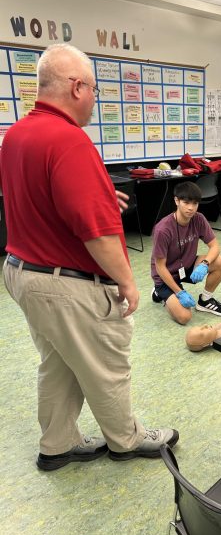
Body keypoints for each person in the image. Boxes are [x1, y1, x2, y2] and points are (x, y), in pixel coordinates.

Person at [0, 43, 178, 471]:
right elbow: (96, 233)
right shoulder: (69, 139)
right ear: (77, 86)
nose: (96, 99)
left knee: (60, 362)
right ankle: (126, 440)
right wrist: (129, 282)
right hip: (66, 282)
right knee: (107, 365)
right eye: (94, 90)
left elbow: (40, 196)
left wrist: (97, 195)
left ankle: (56, 445)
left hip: (22, 271)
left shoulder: (17, 134)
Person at [151, 181, 221, 325]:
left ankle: (205, 300)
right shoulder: (163, 229)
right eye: (186, 202)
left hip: (186, 266)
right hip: (166, 276)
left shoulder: (198, 219)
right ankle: (161, 294)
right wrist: (179, 293)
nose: (191, 208)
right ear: (176, 201)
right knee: (184, 317)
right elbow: (160, 267)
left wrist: (205, 264)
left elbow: (215, 246)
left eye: (195, 203)